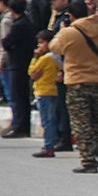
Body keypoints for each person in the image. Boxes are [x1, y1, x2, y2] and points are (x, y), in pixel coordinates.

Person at [49, 0, 98, 173]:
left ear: (71, 15)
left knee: (81, 124)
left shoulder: (68, 32)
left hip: (77, 82)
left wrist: (63, 29)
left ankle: (88, 162)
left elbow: (53, 48)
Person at [0, 0, 36, 138]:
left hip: (18, 63)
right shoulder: (26, 22)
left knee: (18, 96)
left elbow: (7, 42)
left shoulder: (19, 25)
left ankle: (20, 126)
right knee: (22, 95)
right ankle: (22, 126)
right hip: (23, 62)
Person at [27, 29, 61, 157]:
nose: (39, 46)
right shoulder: (55, 57)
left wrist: (35, 57)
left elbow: (32, 73)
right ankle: (50, 144)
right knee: (50, 120)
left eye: (41, 43)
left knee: (47, 121)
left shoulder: (45, 58)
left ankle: (48, 146)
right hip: (52, 91)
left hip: (44, 92)